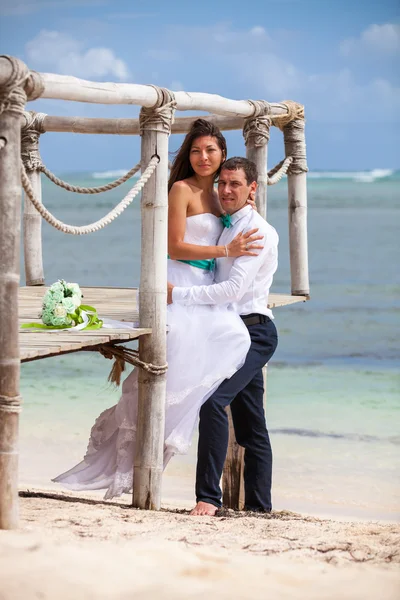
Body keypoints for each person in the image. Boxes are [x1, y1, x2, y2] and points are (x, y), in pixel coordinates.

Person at [53, 120, 263, 499]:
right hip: (175, 280)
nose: (203, 157)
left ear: (222, 156)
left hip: (205, 288)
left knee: (229, 341)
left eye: (211, 151)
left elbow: (244, 227)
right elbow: (177, 246)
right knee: (178, 348)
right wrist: (226, 252)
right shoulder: (180, 189)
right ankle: (135, 459)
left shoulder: (223, 195)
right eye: (196, 150)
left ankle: (180, 435)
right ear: (188, 154)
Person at [168, 157, 279, 516]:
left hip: (254, 332)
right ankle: (260, 509)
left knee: (213, 403)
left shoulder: (257, 232)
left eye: (235, 184)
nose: (227, 190)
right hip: (228, 330)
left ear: (252, 189)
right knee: (251, 424)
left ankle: (208, 499)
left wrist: (178, 295)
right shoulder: (226, 226)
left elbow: (231, 289)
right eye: (223, 183)